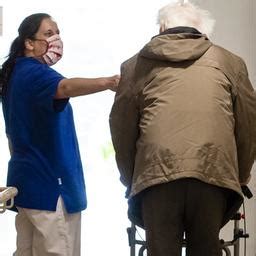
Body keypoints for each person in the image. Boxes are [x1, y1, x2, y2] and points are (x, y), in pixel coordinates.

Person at [109, 1, 256, 256]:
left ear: (163, 26)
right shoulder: (230, 62)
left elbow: (121, 128)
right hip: (212, 170)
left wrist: (130, 177)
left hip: (156, 175)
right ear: (204, 30)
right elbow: (248, 121)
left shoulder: (135, 65)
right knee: (206, 247)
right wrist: (241, 174)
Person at [0, 13, 119, 256]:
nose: (56, 39)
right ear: (28, 42)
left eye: (57, 33)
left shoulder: (14, 74)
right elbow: (65, 87)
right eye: (48, 34)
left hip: (27, 183)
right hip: (51, 186)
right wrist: (108, 82)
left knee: (26, 251)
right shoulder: (35, 73)